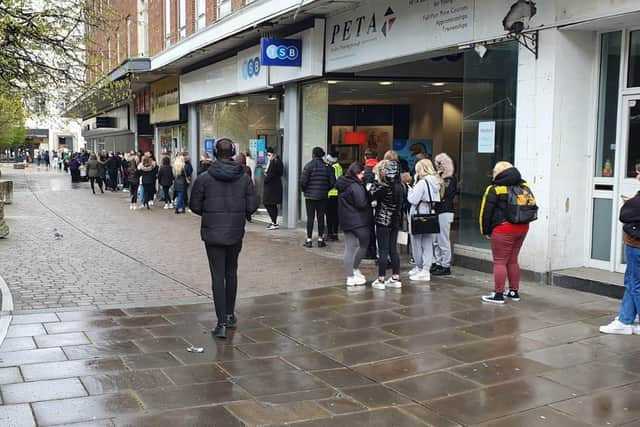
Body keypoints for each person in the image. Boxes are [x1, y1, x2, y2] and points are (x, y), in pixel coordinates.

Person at [189, 138, 257, 339]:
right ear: (233, 152)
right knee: (231, 272)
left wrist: (210, 214)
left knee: (217, 276)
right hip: (235, 231)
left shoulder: (204, 178)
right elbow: (252, 206)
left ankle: (221, 323)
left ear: (215, 153)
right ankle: (229, 314)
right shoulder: (244, 178)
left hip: (213, 232)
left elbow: (195, 205)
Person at [479, 161, 530, 304]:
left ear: (499, 173)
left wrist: (486, 230)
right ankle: (513, 292)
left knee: (500, 262)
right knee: (513, 260)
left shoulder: (495, 188)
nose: (493, 174)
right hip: (522, 227)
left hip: (503, 229)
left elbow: (485, 212)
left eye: (494, 171)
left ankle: (498, 294)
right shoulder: (524, 186)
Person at [600, 162, 640, 335]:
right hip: (635, 244)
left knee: (636, 283)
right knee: (632, 281)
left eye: (639, 172)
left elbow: (625, 215)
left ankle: (625, 320)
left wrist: (629, 203)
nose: (637, 176)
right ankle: (625, 320)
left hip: (636, 245)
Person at [368, 154, 406, 289]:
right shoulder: (401, 186)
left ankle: (381, 279)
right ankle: (396, 277)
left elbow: (371, 194)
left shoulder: (383, 186)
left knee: (383, 250)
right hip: (395, 221)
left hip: (383, 220)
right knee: (393, 250)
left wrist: (375, 180)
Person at [407, 159, 442, 282]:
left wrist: (410, 191)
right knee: (428, 242)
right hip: (429, 212)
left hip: (418, 212)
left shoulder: (422, 183)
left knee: (416, 242)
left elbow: (413, 199)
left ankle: (420, 267)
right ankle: (425, 269)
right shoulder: (436, 181)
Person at [336, 162, 370, 287]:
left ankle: (350, 276)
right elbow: (361, 203)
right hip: (359, 221)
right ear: (356, 173)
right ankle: (355, 269)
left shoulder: (342, 183)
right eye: (362, 173)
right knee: (363, 246)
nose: (363, 176)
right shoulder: (356, 186)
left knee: (349, 248)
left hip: (346, 221)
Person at [300, 147, 335, 248]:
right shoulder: (328, 167)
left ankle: (309, 239)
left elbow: (302, 182)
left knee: (310, 218)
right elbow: (332, 183)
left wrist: (305, 190)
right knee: (321, 218)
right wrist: (325, 189)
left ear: (313, 154)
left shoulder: (308, 166)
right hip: (323, 196)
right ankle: (320, 239)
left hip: (310, 197)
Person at [432, 153, 457, 276]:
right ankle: (438, 262)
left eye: (440, 164)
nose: (438, 166)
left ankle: (445, 264)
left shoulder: (450, 179)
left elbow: (447, 193)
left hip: (445, 210)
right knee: (436, 240)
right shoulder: (439, 177)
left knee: (443, 239)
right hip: (437, 210)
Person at [363, 149, 379, 259]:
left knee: (367, 227)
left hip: (366, 203)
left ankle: (369, 251)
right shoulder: (381, 169)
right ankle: (375, 250)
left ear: (365, 157)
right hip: (379, 202)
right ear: (377, 157)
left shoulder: (363, 170)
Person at [263, 147, 283, 230]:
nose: (267, 156)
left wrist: (266, 178)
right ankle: (274, 221)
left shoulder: (274, 162)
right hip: (276, 186)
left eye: (268, 154)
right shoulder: (278, 161)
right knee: (272, 204)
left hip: (271, 187)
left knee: (268, 203)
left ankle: (274, 222)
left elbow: (271, 174)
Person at [326, 151, 343, 241]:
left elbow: (334, 181)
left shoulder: (334, 168)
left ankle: (330, 233)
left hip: (332, 194)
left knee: (330, 215)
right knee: (335, 215)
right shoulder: (339, 167)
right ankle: (334, 233)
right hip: (337, 194)